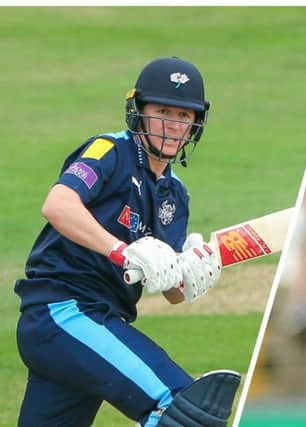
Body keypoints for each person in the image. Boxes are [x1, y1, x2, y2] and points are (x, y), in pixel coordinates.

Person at [14, 57, 240, 427]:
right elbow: (57, 204)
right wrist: (120, 251)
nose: (173, 125)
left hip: (94, 323)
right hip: (63, 311)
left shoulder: (175, 195)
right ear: (139, 112)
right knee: (183, 411)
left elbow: (170, 290)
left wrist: (191, 273)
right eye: (163, 111)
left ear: (196, 123)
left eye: (184, 116)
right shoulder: (109, 152)